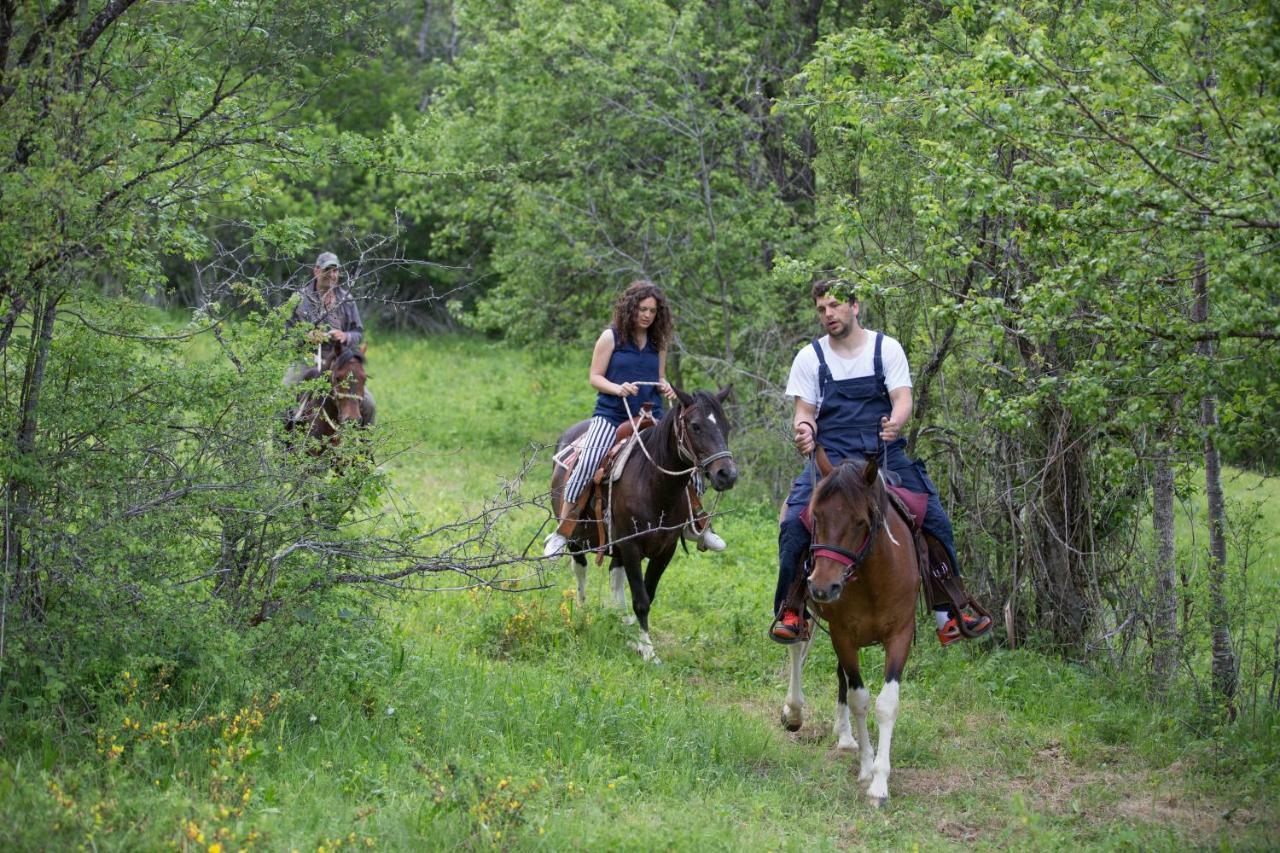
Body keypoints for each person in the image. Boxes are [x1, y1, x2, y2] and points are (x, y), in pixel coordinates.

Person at [769, 280, 991, 645]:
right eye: (822, 309)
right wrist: (804, 431)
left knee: (934, 520)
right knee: (795, 523)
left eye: (836, 305)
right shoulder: (810, 357)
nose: (828, 314)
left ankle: (951, 609)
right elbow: (804, 411)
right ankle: (792, 610)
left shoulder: (885, 348)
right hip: (831, 463)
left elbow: (902, 398)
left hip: (883, 458)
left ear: (855, 306)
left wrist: (896, 421)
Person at [544, 280, 725, 558]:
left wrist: (664, 385)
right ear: (630, 308)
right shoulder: (611, 337)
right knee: (588, 463)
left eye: (652, 311)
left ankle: (696, 525)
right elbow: (595, 377)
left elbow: (659, 376)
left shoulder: (658, 342)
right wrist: (618, 388)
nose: (647, 315)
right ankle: (563, 531)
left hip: (653, 416)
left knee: (690, 463)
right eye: (642, 309)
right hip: (613, 416)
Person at [283, 251, 375, 425]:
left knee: (369, 404)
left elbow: (358, 332)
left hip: (340, 362)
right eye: (327, 270)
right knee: (284, 397)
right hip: (307, 359)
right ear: (316, 271)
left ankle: (364, 446)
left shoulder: (346, 299)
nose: (332, 276)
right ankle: (282, 447)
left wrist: (345, 336)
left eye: (335, 271)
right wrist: (305, 336)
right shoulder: (299, 298)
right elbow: (286, 332)